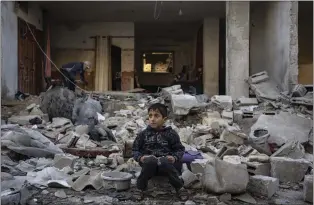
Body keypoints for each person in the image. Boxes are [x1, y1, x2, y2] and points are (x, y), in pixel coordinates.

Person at [132, 103, 189, 201]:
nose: (152, 119)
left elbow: (179, 149)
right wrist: (140, 158)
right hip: (149, 165)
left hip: (166, 165)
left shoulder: (171, 134)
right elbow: (135, 150)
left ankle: (179, 188)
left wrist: (174, 158)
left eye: (156, 116)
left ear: (164, 119)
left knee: (164, 162)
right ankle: (140, 188)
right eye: (150, 116)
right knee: (150, 161)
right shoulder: (143, 134)